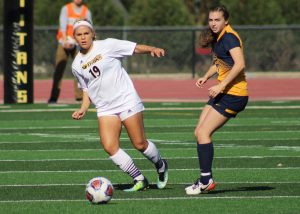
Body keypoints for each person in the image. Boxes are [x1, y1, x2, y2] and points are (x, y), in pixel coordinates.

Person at [71, 19, 168, 192]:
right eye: (79, 34)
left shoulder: (108, 45)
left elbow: (135, 47)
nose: (83, 37)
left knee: (139, 144)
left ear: (93, 34)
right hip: (105, 107)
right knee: (110, 146)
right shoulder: (76, 64)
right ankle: (139, 179)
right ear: (75, 37)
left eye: (86, 33)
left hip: (126, 100)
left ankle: (161, 165)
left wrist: (152, 49)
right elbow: (86, 89)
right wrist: (83, 108)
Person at [185, 5, 248, 195]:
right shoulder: (218, 37)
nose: (213, 23)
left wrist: (220, 85)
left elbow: (240, 64)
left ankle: (206, 180)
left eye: (217, 20)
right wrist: (206, 76)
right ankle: (205, 178)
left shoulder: (229, 37)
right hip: (223, 92)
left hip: (234, 95)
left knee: (204, 132)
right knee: (199, 131)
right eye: (211, 20)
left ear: (225, 21)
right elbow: (219, 63)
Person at [48, 0, 92, 103]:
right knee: (59, 69)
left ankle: (80, 97)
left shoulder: (86, 11)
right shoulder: (66, 8)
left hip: (78, 44)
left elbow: (90, 27)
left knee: (80, 70)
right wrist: (65, 41)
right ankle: (53, 97)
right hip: (64, 43)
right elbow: (63, 27)